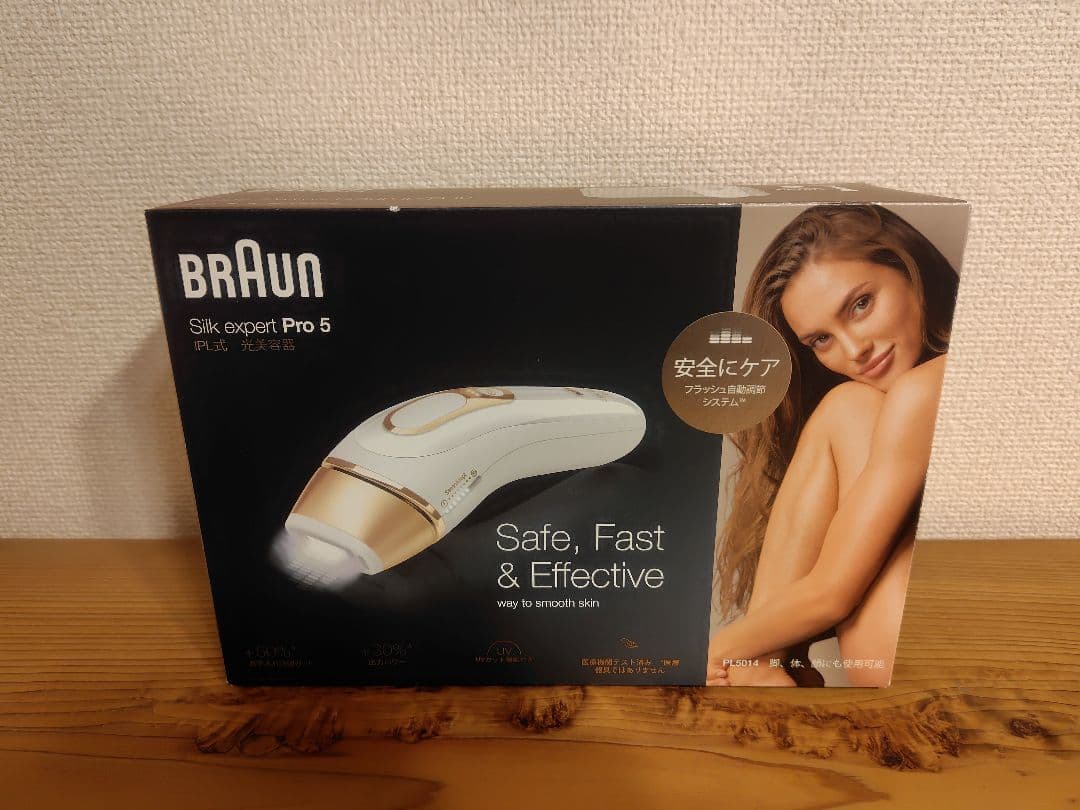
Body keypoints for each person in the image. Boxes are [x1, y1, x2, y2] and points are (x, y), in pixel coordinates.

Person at [708, 204, 959, 687]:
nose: (855, 350)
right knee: (849, 405)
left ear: (910, 270)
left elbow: (832, 593)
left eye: (861, 305)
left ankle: (761, 662)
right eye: (822, 339)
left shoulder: (925, 388)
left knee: (847, 405)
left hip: (938, 674)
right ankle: (763, 662)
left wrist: (711, 654)